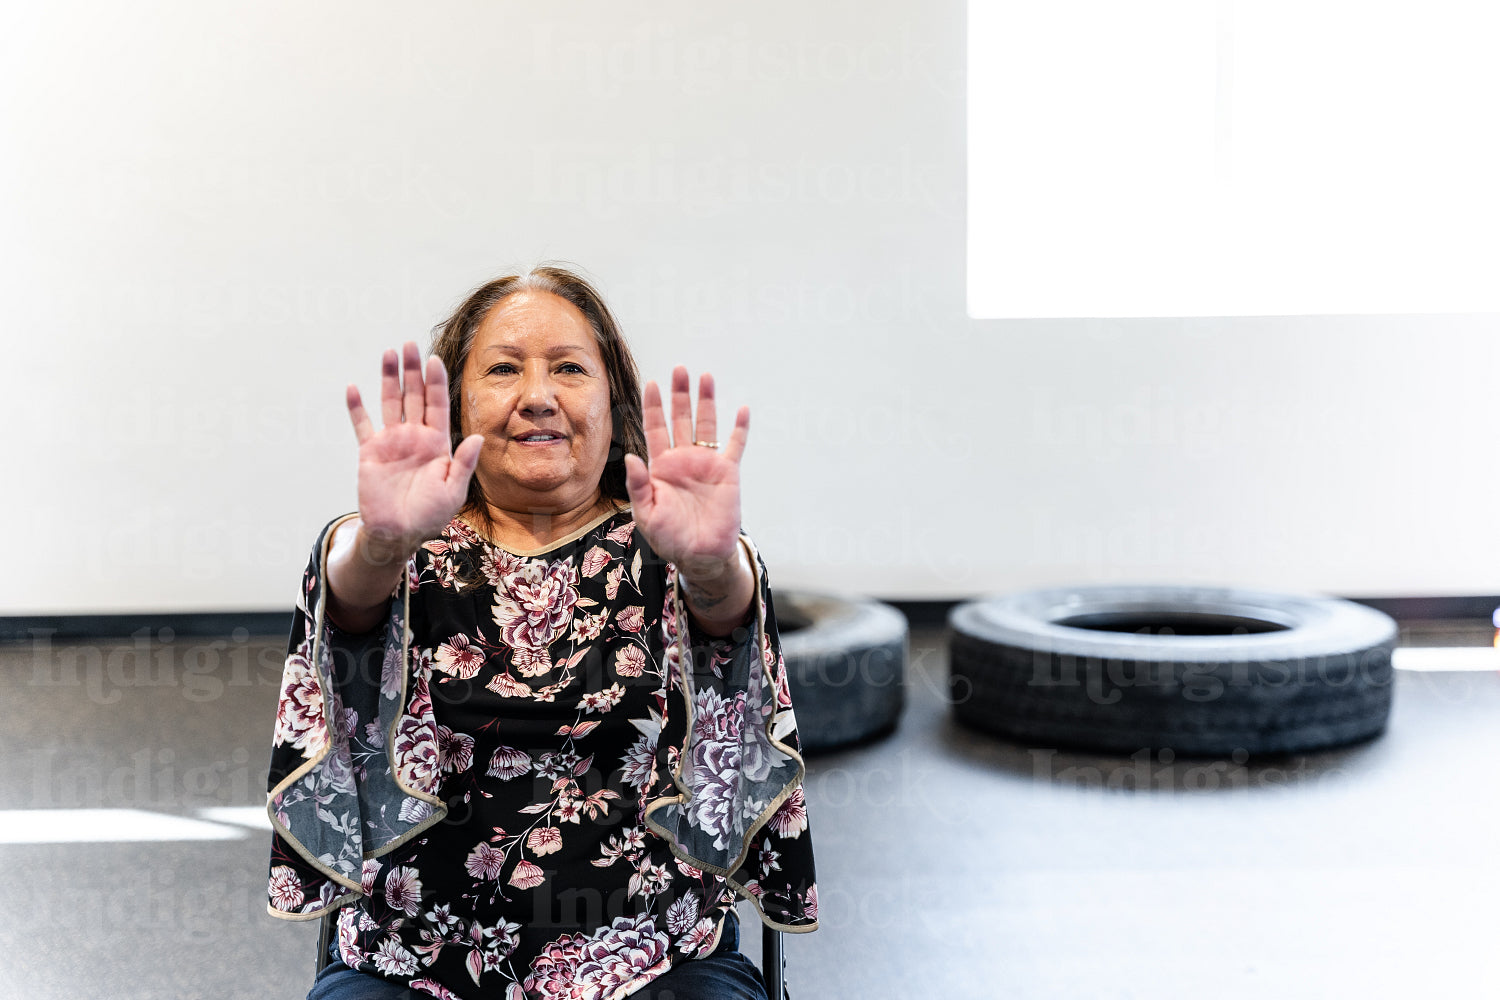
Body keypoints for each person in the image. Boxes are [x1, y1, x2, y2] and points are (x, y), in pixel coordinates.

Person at [264, 266, 818, 1000]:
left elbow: (726, 621)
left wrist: (712, 566)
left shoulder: (671, 542)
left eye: (567, 368)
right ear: (458, 404)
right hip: (416, 964)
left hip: (654, 959)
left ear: (611, 398)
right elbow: (352, 604)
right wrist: (383, 543)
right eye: (502, 369)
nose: (537, 396)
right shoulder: (398, 547)